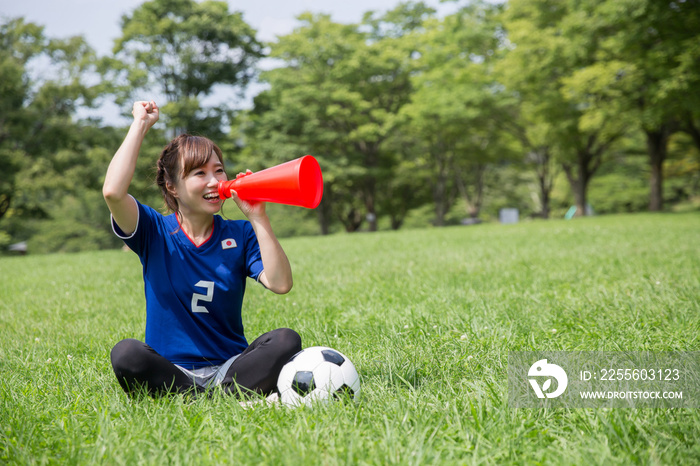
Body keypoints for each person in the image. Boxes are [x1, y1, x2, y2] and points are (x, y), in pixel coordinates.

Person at [103, 100, 301, 398]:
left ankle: (206, 396)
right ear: (172, 186)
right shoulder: (153, 231)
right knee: (126, 353)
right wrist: (140, 124)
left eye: (219, 170)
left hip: (230, 367)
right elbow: (113, 192)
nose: (214, 181)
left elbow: (281, 283)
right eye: (199, 173)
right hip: (171, 369)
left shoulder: (240, 233)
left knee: (287, 340)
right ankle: (209, 396)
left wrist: (258, 217)